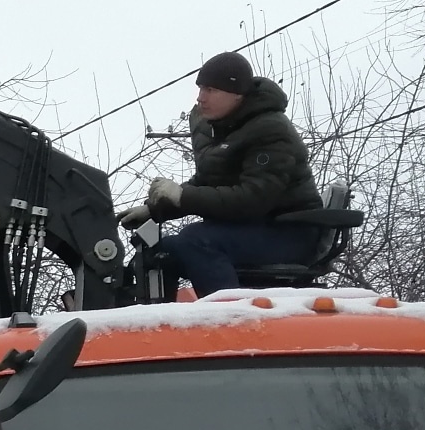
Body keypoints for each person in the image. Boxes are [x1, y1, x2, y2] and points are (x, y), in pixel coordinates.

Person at [136, 51, 322, 295]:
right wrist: (155, 209)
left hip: (290, 233)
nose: (200, 98)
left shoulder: (270, 130)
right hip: (255, 229)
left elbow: (253, 199)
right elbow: (206, 184)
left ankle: (230, 320)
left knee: (197, 240)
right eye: (200, 89)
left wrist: (182, 196)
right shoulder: (229, 128)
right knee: (159, 249)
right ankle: (160, 325)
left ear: (236, 94)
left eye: (210, 90)